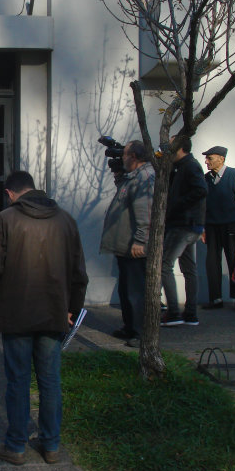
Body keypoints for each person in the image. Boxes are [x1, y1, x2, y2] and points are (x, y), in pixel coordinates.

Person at [0, 171, 88, 466]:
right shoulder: (65, 220)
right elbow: (80, 275)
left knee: (18, 380)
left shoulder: (6, 219)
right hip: (55, 313)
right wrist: (71, 310)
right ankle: (51, 445)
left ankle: (16, 445)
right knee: (50, 380)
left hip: (17, 312)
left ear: (10, 193)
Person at [99, 140, 155, 345]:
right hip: (125, 244)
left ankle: (140, 334)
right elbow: (125, 194)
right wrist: (118, 175)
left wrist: (141, 240)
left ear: (133, 157)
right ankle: (130, 327)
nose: (121, 158)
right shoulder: (134, 177)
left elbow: (145, 212)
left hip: (135, 245)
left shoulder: (145, 178)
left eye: (124, 155)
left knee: (135, 291)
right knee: (126, 289)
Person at [160, 137, 208, 327]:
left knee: (164, 265)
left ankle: (174, 313)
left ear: (179, 147)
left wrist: (177, 205)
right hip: (189, 225)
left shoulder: (190, 166)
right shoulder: (181, 166)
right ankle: (190, 314)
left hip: (183, 225)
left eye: (171, 144)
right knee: (189, 269)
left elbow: (200, 190)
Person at [201, 146, 235, 312]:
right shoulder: (206, 178)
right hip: (212, 225)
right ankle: (215, 298)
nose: (206, 161)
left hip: (232, 224)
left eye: (210, 158)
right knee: (212, 262)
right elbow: (203, 205)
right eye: (207, 158)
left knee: (234, 261)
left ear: (221, 159)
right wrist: (202, 227)